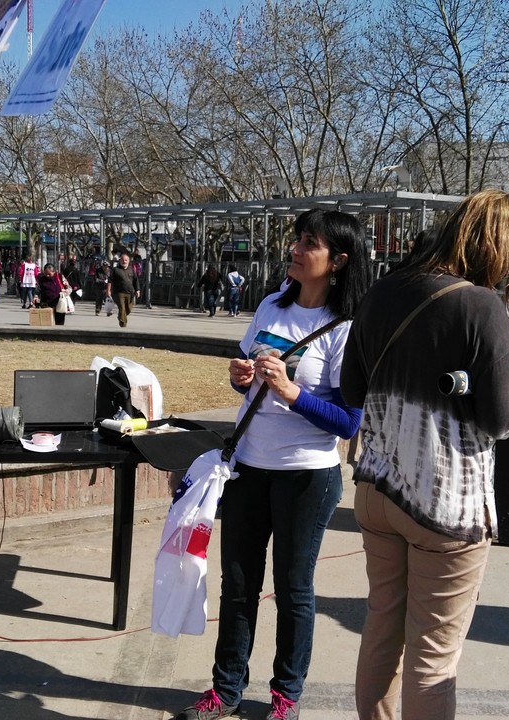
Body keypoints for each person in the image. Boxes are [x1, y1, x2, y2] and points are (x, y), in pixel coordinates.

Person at [340, 188, 509, 720]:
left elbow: (352, 392)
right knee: (433, 657)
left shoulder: (382, 291)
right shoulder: (481, 305)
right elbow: (501, 420)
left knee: (381, 629)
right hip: (443, 500)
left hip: (377, 490)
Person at [175, 209, 370, 720]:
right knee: (238, 585)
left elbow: (348, 422)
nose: (296, 249)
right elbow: (244, 381)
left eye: (310, 243)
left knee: (293, 589)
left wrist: (291, 390)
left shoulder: (345, 328)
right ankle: (226, 690)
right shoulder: (270, 305)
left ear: (338, 261)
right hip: (248, 466)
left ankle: (286, 696)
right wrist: (240, 376)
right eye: (298, 239)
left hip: (307, 476)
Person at [105, 251, 136, 328]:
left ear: (128, 261)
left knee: (128, 309)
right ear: (120, 261)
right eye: (122, 260)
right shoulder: (115, 270)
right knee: (122, 308)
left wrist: (138, 290)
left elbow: (136, 280)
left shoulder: (131, 270)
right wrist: (108, 291)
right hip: (119, 293)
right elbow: (110, 281)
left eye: (126, 260)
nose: (124, 261)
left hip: (130, 293)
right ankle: (123, 324)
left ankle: (120, 316)